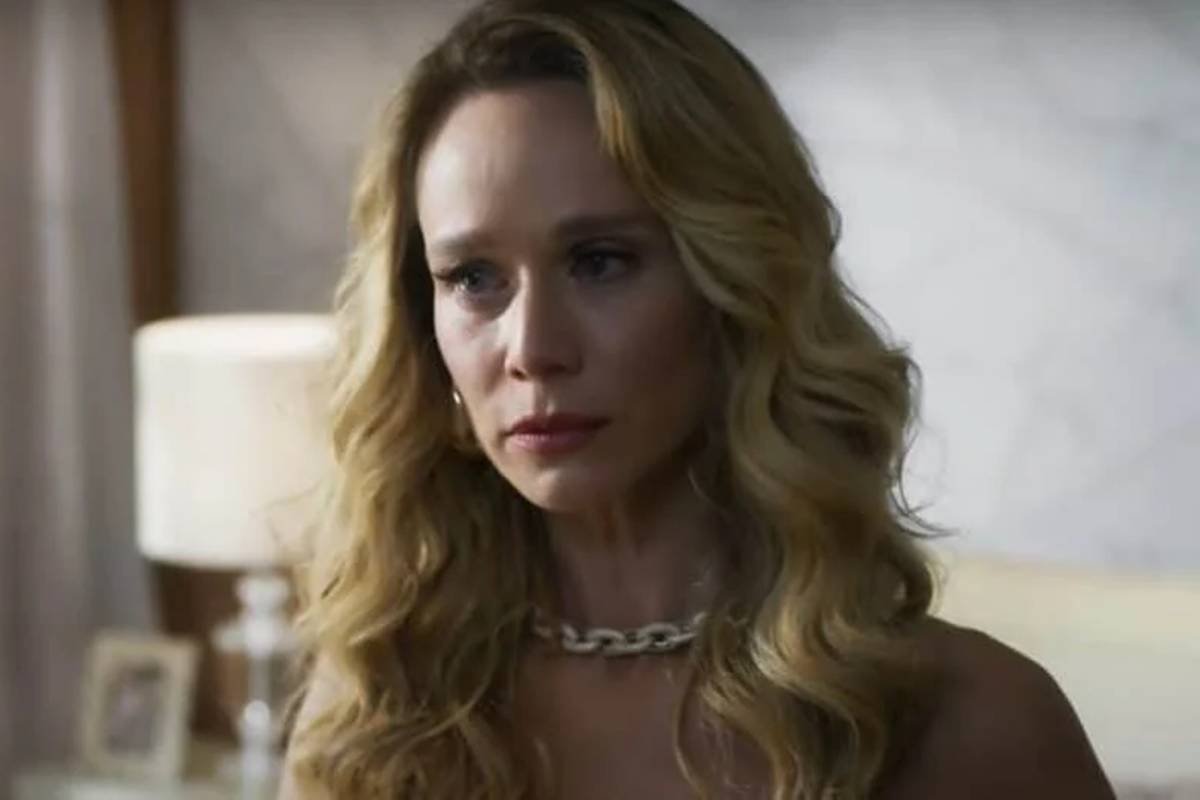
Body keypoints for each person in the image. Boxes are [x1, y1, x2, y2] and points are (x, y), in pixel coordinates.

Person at [280, 1, 1116, 797]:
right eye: (473, 278)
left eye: (600, 261)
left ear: (734, 284)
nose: (531, 348)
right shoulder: (376, 715)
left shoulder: (972, 724)